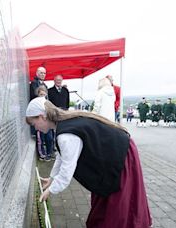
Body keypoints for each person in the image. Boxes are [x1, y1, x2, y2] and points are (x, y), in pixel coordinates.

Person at [25, 97, 152, 228]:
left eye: (34, 124)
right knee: (107, 203)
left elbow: (67, 171)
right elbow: (62, 156)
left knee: (120, 206)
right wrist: (51, 179)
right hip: (113, 154)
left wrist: (50, 190)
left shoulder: (65, 135)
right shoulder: (64, 123)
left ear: (42, 117)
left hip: (121, 156)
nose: (36, 129)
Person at [35, 86, 54, 161]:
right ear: (38, 95)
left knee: (49, 139)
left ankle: (49, 153)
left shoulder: (48, 103)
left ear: (46, 94)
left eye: (44, 94)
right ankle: (42, 154)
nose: (42, 96)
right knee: (41, 140)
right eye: (41, 94)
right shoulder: (35, 103)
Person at [29, 67, 48, 136]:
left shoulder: (45, 85)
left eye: (44, 73)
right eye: (41, 73)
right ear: (37, 73)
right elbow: (35, 96)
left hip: (44, 113)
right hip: (37, 113)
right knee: (39, 136)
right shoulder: (33, 84)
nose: (43, 74)